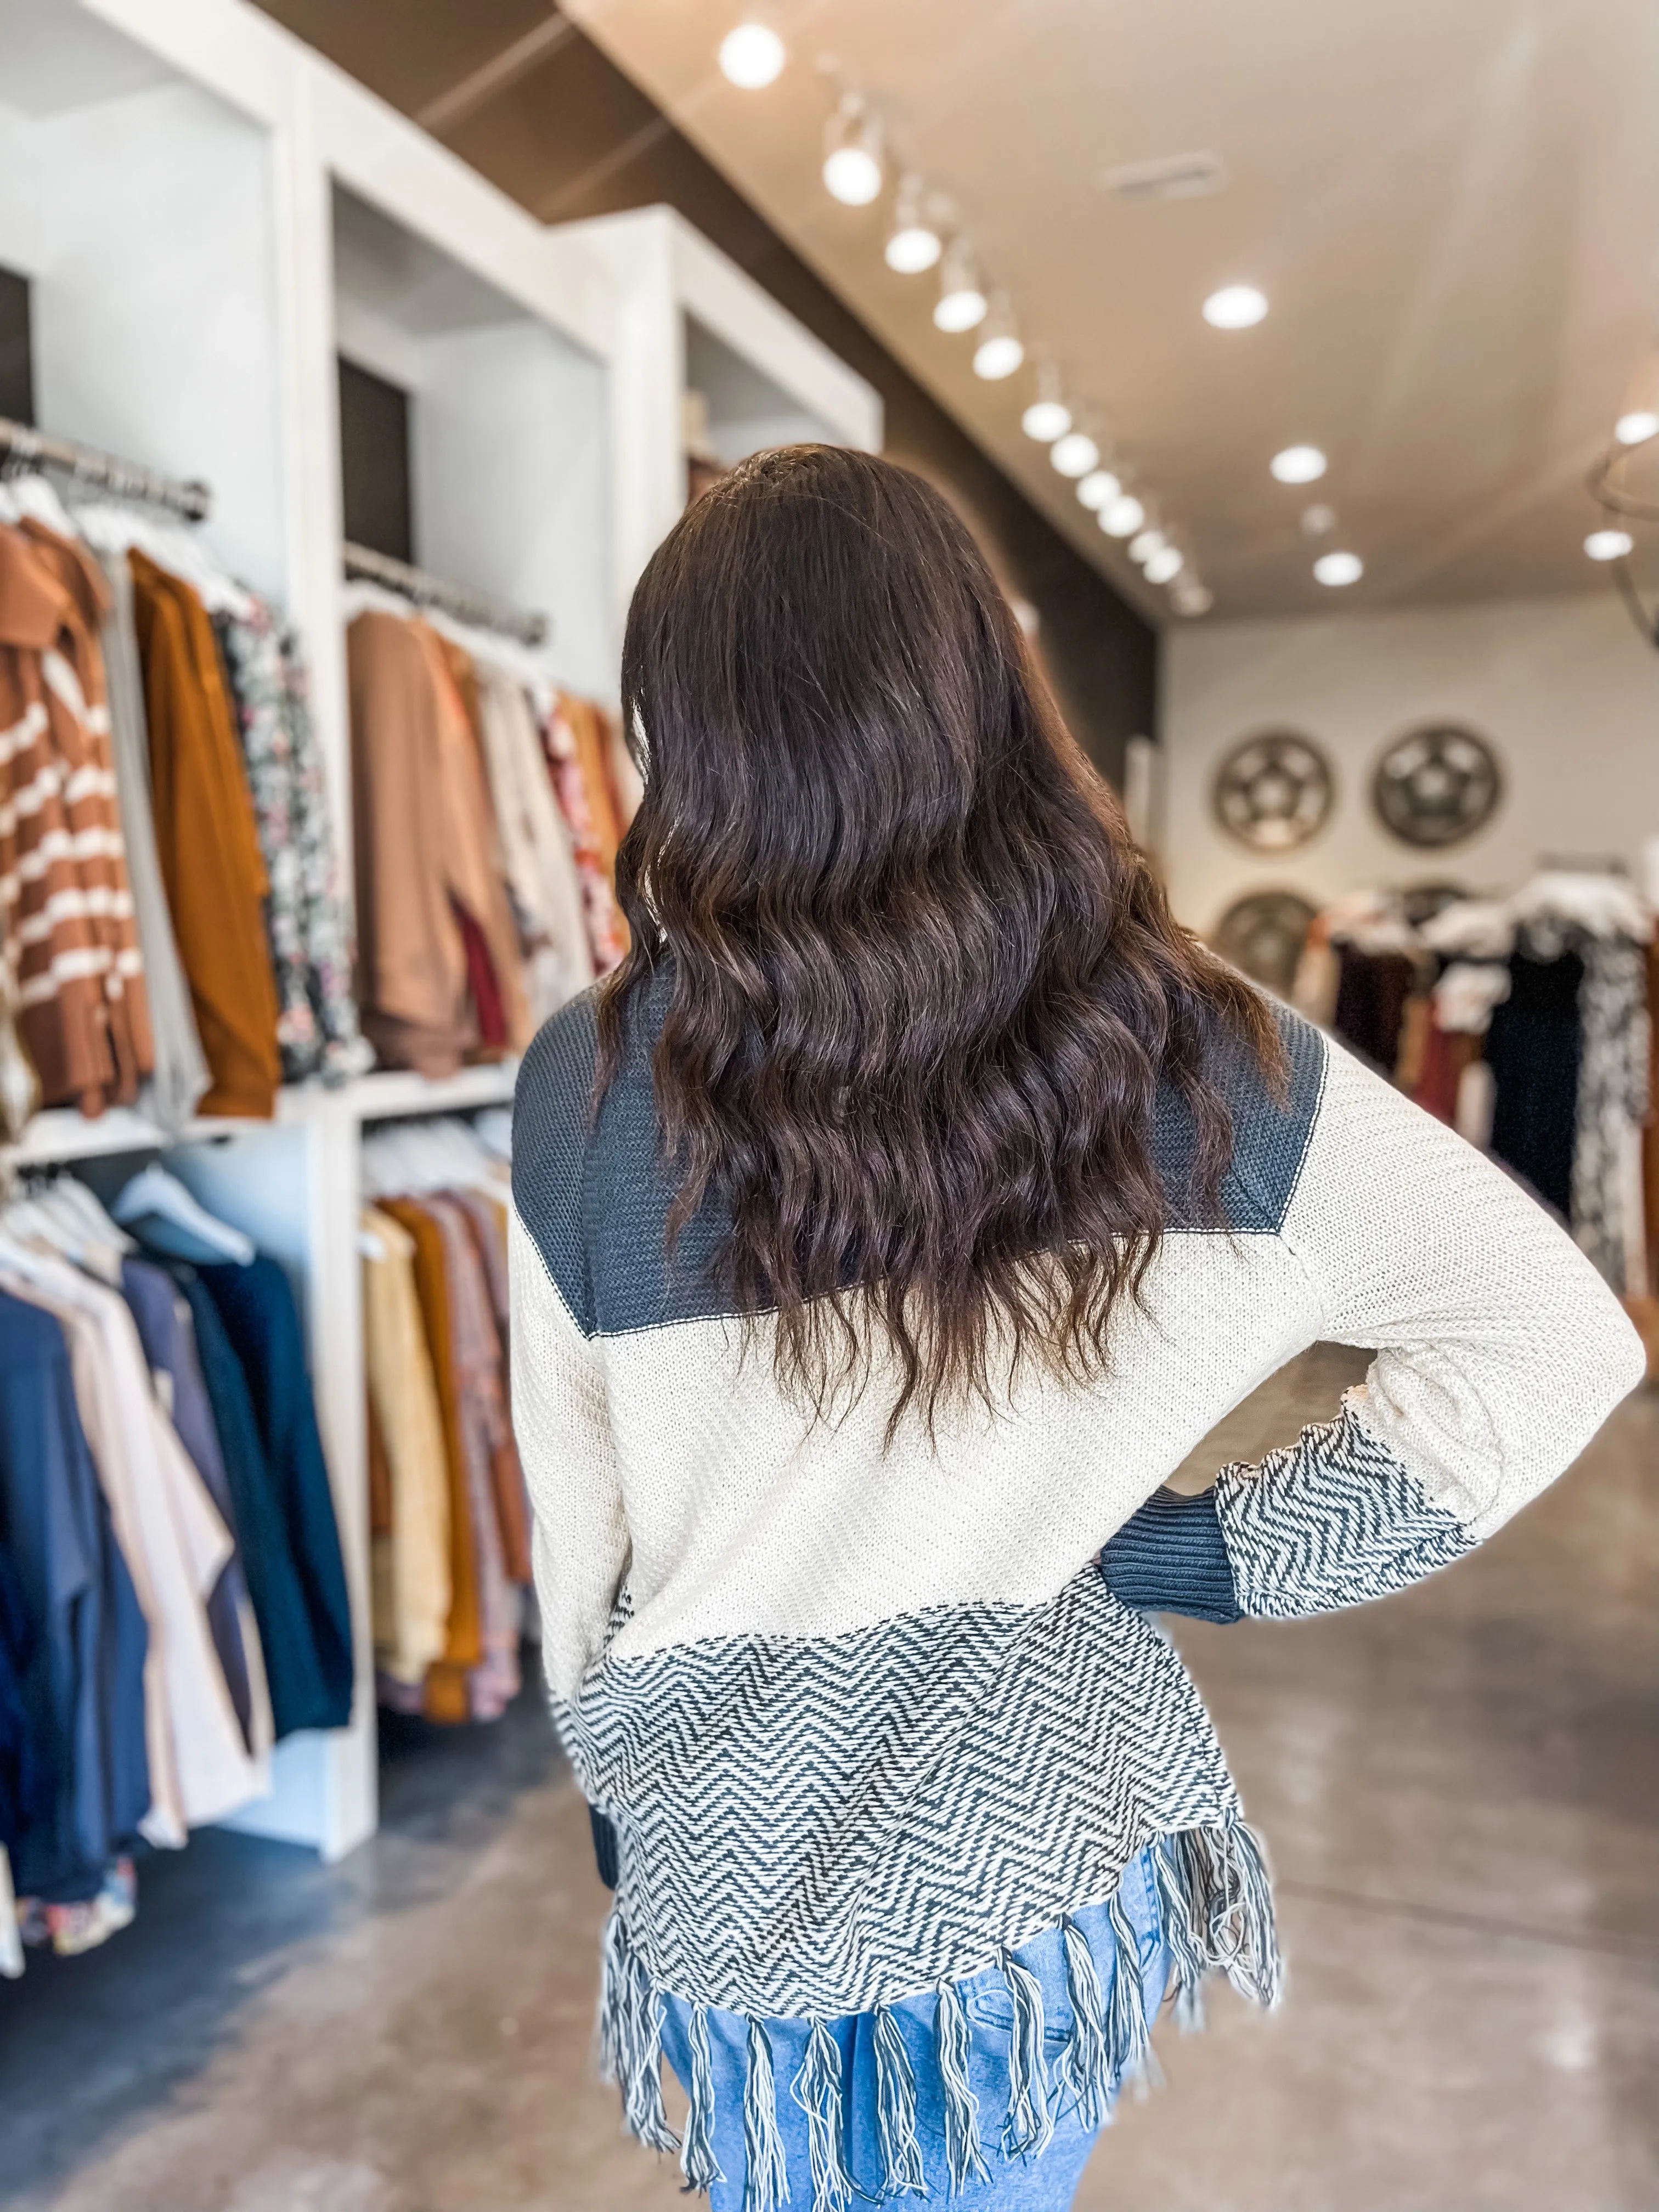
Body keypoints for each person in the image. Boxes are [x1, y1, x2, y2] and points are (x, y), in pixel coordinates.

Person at [509, 445, 1643, 2210]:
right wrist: (1208, 1553)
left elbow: (572, 1510)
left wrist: (616, 1776)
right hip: (1037, 1840)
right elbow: (1550, 1338)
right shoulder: (1184, 1049)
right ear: (982, 696)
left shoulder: (584, 1076)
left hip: (728, 1842)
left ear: (686, 731)